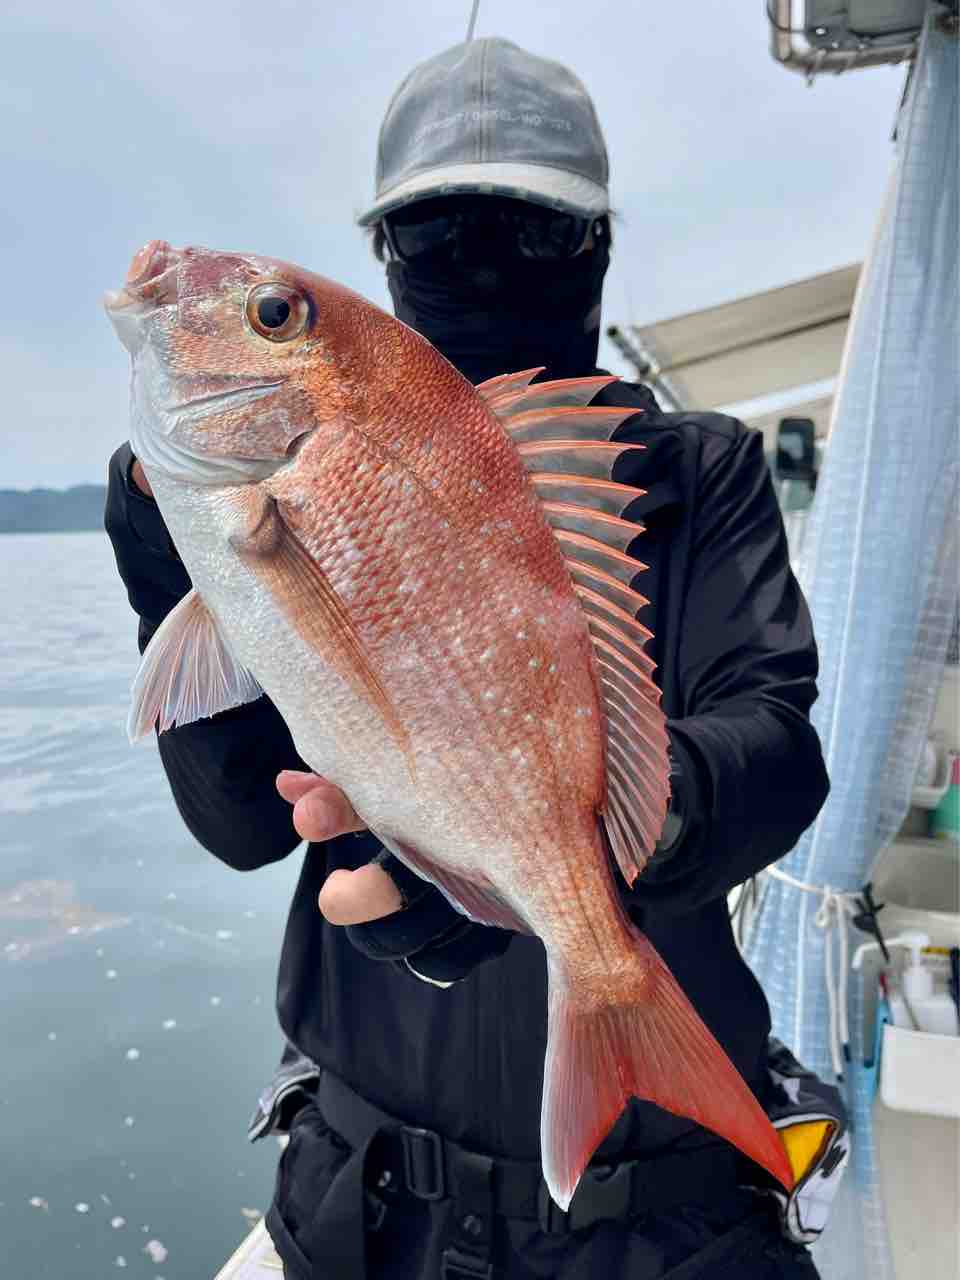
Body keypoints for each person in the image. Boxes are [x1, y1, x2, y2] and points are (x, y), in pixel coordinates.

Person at [105, 36, 833, 1280]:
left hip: (661, 1222)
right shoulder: (287, 484)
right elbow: (240, 822)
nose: (486, 261)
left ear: (595, 245)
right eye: (441, 232)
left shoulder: (698, 467)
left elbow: (778, 750)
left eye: (532, 231)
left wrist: (544, 845)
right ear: (390, 253)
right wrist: (163, 555)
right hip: (365, 1200)